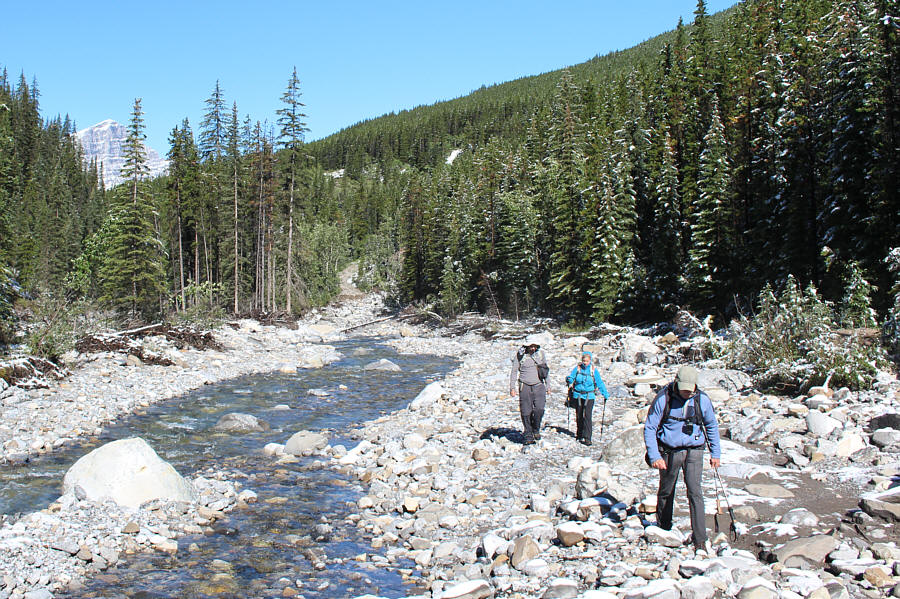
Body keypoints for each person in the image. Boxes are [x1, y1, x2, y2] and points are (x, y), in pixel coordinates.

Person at [644, 365, 721, 553]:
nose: (687, 392)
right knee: (666, 490)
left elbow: (711, 426)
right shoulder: (664, 398)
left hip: (694, 450)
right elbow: (650, 427)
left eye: (690, 389)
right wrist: (655, 456)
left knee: (695, 492)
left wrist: (715, 454)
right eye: (683, 389)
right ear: (676, 383)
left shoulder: (702, 400)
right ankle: (664, 527)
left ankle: (700, 539)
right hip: (670, 451)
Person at [565, 351, 610, 446]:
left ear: (590, 361)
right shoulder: (577, 368)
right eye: (584, 361)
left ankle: (587, 437)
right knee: (579, 415)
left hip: (589, 396)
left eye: (587, 361)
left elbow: (599, 382)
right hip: (578, 395)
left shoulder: (593, 370)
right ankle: (579, 434)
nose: (585, 363)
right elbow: (572, 378)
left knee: (587, 416)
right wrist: (569, 379)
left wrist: (605, 394)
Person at [510, 342, 550, 445]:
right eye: (530, 346)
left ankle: (535, 429)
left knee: (539, 409)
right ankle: (528, 434)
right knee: (525, 411)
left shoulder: (540, 354)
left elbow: (545, 370)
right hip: (525, 386)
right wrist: (512, 387)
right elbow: (514, 371)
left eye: (534, 346)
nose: (532, 348)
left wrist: (548, 385)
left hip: (539, 384)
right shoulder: (520, 356)